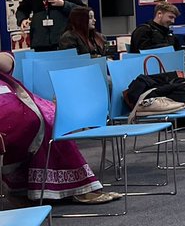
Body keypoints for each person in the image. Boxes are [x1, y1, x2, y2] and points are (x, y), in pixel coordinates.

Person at [0, 51, 120, 204]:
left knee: (49, 117)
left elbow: (7, 62)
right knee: (34, 120)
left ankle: (52, 186)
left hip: (12, 97)